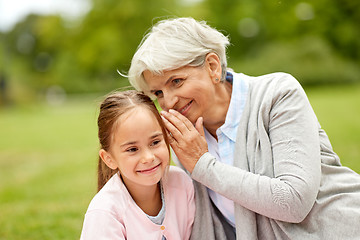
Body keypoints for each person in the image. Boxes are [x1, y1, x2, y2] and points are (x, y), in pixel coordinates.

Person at [126, 17, 360, 239]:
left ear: (212, 66)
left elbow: (294, 202)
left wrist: (202, 164)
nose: (169, 102)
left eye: (176, 81)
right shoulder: (183, 135)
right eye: (158, 93)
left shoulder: (277, 94)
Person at [80, 90, 195, 240]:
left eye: (155, 142)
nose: (148, 157)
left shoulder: (181, 183)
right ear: (109, 159)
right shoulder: (105, 211)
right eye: (132, 149)